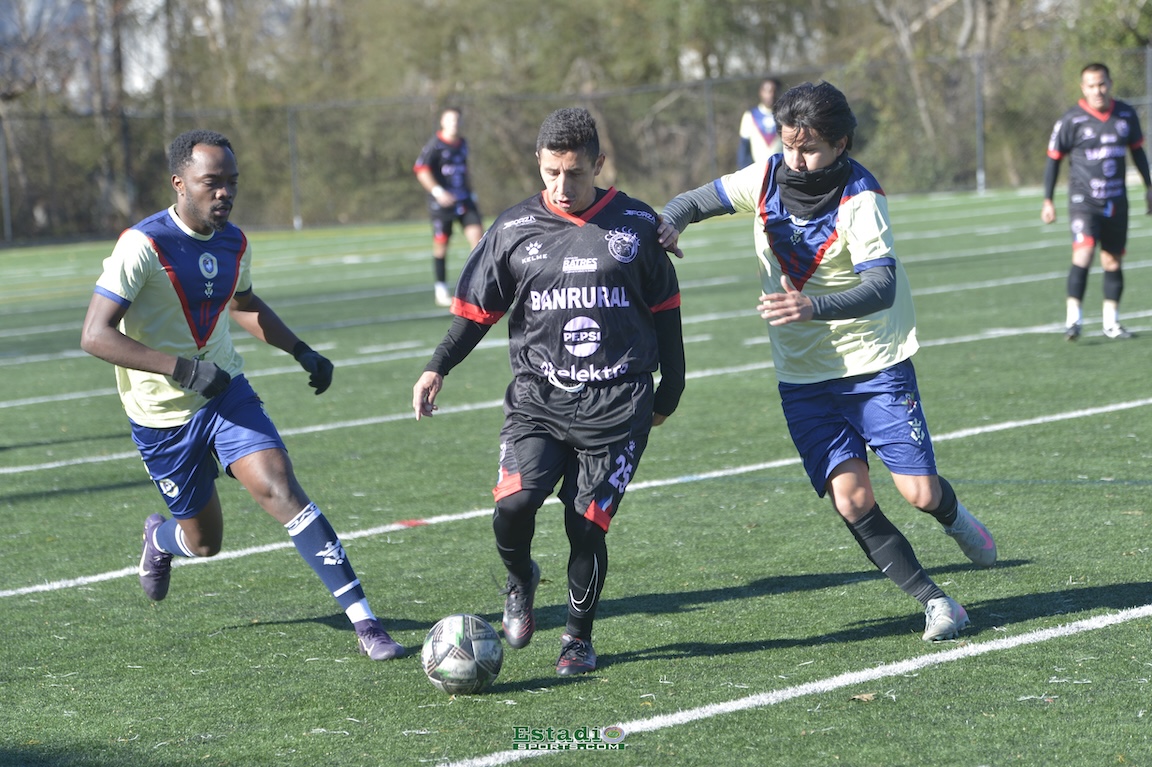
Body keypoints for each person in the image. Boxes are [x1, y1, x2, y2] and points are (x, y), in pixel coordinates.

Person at [659, 82, 996, 642]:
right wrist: (671, 223)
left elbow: (881, 286)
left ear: (841, 144)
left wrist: (811, 307)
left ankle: (952, 516)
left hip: (874, 363)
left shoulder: (861, 196)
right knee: (851, 499)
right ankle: (937, 603)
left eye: (810, 149)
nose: (796, 159)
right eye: (789, 145)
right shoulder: (765, 176)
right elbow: (693, 200)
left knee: (920, 493)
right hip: (803, 375)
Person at [80, 129, 404, 661]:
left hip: (225, 392)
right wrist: (182, 370)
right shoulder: (142, 245)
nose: (225, 193)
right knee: (205, 543)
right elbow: (95, 335)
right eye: (212, 182)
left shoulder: (234, 241)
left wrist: (301, 350)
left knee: (280, 487)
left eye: (232, 181)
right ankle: (159, 541)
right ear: (179, 183)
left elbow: (244, 303)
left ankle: (367, 625)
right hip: (161, 415)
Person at [412, 107, 685, 675]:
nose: (563, 186)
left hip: (617, 402)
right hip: (539, 397)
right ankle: (521, 579)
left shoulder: (637, 224)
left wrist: (672, 388)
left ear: (598, 164)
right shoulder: (513, 228)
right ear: (538, 163)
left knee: (585, 524)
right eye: (551, 172)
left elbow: (665, 311)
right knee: (513, 505)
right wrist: (438, 366)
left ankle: (577, 640)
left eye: (575, 173)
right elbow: (476, 312)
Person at [1041, 62, 1152, 341]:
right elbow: (1053, 160)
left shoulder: (1125, 114)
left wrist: (1149, 187)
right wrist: (1048, 200)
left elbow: (1138, 152)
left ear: (1110, 84)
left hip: (1116, 199)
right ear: (1083, 88)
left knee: (1112, 259)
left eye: (1102, 84)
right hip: (1084, 201)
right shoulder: (1072, 120)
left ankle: (1111, 323)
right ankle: (1073, 321)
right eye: (1091, 86)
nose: (1097, 90)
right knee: (1084, 252)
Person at [414, 106, 485, 307]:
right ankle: (441, 289)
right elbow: (421, 170)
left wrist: (471, 191)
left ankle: (477, 289)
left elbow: (465, 170)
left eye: (457, 120)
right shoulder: (435, 145)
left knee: (479, 241)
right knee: (441, 245)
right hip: (442, 205)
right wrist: (438, 192)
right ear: (442, 122)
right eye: (450, 120)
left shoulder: (463, 144)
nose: (454, 123)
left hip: (464, 200)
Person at [737, 77, 783, 169]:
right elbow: (744, 148)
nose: (770, 95)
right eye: (767, 91)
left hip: (781, 169)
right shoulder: (750, 115)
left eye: (774, 91)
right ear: (760, 92)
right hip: (757, 171)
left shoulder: (785, 115)